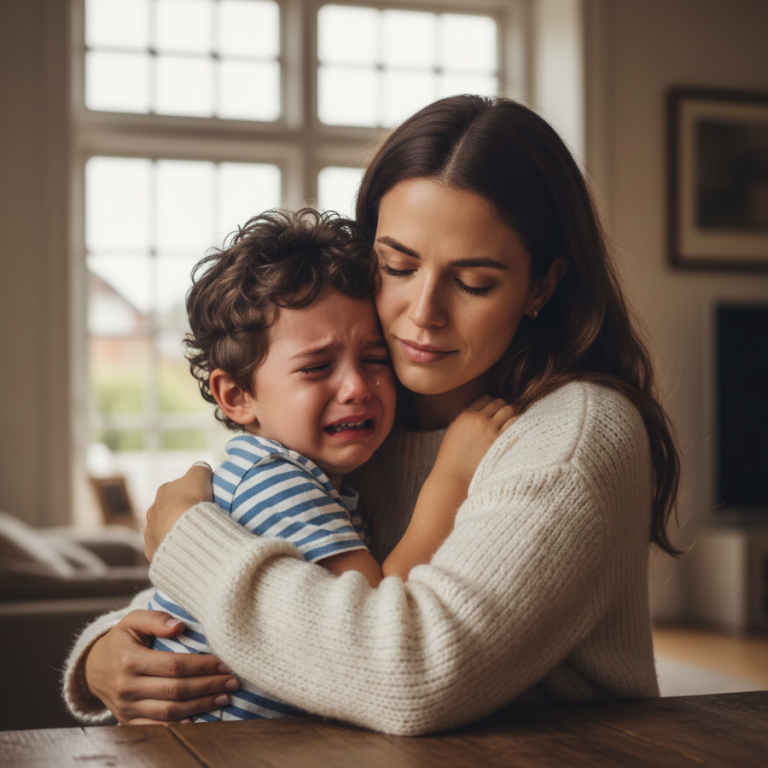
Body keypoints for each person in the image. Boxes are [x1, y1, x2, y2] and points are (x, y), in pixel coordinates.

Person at [63, 95, 681, 736]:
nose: (423, 312)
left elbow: (411, 675)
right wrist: (107, 653)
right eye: (397, 266)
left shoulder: (573, 432)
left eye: (473, 283)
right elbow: (262, 575)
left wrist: (189, 535)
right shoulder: (365, 419)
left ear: (542, 287)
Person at [143, 208, 516, 721]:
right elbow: (381, 607)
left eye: (374, 358)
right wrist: (452, 476)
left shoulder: (294, 471)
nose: (357, 387)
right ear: (237, 396)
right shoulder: (274, 480)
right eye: (317, 367)